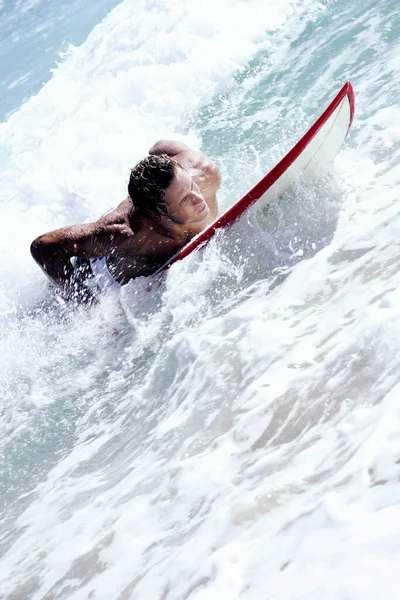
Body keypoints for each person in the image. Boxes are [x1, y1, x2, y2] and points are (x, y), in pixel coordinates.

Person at [30, 140, 221, 301]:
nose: (198, 198)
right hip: (98, 273)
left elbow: (159, 147)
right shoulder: (124, 234)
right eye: (184, 200)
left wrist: (154, 170)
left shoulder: (204, 172)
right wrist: (88, 305)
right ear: (159, 215)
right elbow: (43, 246)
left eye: (192, 186)